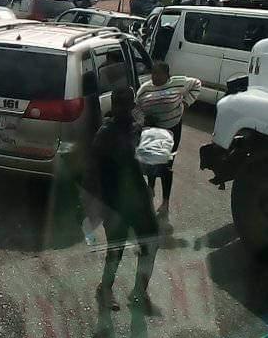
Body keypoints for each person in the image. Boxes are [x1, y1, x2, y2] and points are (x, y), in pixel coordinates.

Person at [82, 87, 159, 311]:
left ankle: (139, 292)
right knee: (116, 249)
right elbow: (91, 172)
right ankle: (105, 289)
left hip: (139, 198)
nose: (126, 109)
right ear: (115, 106)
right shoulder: (105, 133)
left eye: (129, 104)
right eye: (122, 105)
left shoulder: (135, 128)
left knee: (150, 244)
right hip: (114, 201)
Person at [135, 61, 201, 218]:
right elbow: (136, 107)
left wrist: (186, 102)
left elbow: (197, 85)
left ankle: (165, 202)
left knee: (166, 165)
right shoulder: (145, 89)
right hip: (154, 129)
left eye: (159, 74)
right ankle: (150, 188)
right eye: (153, 74)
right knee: (152, 159)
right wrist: (143, 120)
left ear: (167, 75)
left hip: (173, 128)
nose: (155, 77)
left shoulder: (179, 82)